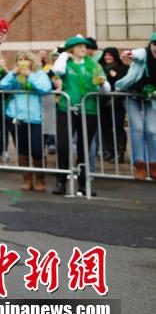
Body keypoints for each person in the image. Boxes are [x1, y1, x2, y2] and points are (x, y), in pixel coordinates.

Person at [51, 35, 109, 196]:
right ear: (72, 50)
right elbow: (57, 71)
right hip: (66, 108)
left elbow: (106, 90)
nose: (83, 48)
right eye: (79, 46)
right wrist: (63, 55)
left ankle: (83, 183)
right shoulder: (66, 64)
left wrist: (103, 83)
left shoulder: (95, 66)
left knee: (85, 147)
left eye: (84, 46)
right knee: (63, 145)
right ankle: (61, 182)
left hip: (88, 109)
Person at [0, 52, 53, 191]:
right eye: (20, 60)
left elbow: (45, 88)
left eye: (26, 59)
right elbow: (3, 85)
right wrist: (13, 73)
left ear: (32, 61)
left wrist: (30, 75)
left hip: (36, 118)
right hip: (16, 116)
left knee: (37, 149)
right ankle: (26, 179)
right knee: (22, 149)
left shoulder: (39, 74)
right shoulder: (14, 75)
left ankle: (40, 179)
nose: (23, 62)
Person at [116, 33, 156, 180]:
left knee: (152, 130)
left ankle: (153, 164)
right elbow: (138, 54)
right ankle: (139, 165)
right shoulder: (144, 54)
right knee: (138, 127)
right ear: (151, 45)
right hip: (131, 94)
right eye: (154, 44)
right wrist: (130, 53)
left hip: (151, 98)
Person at [99, 47, 129, 164]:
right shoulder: (99, 67)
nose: (107, 57)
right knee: (105, 127)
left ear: (115, 56)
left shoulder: (123, 68)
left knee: (118, 126)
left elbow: (125, 83)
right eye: (105, 55)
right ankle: (109, 151)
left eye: (110, 55)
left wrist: (115, 76)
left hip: (117, 102)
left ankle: (120, 153)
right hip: (103, 102)